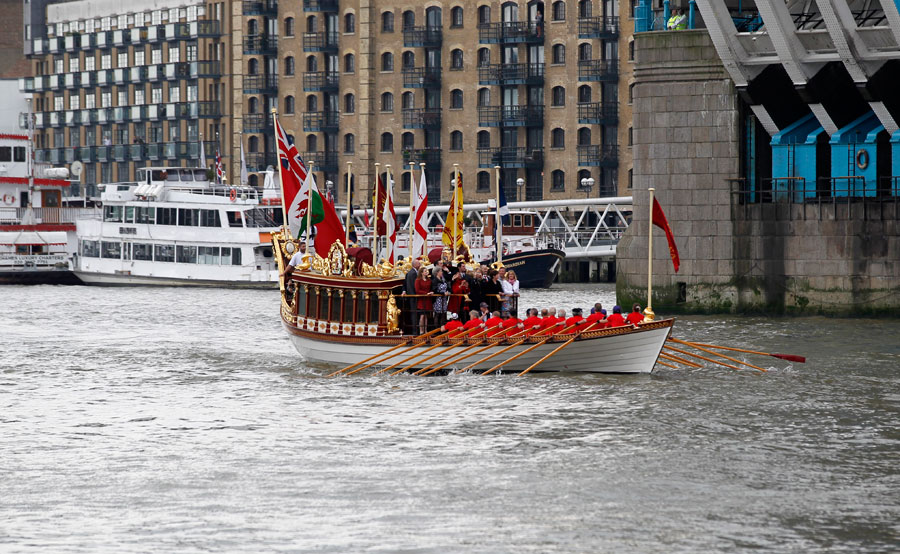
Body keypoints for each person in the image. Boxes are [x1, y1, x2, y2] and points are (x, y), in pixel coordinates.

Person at [414, 267, 433, 334]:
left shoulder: (429, 280)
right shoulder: (418, 280)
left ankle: (425, 329)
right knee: (422, 315)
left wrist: (431, 292)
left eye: (426, 271)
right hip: (422, 299)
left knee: (426, 316)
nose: (426, 272)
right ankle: (421, 330)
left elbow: (431, 287)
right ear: (421, 272)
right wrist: (425, 293)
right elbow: (417, 290)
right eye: (425, 271)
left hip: (428, 299)